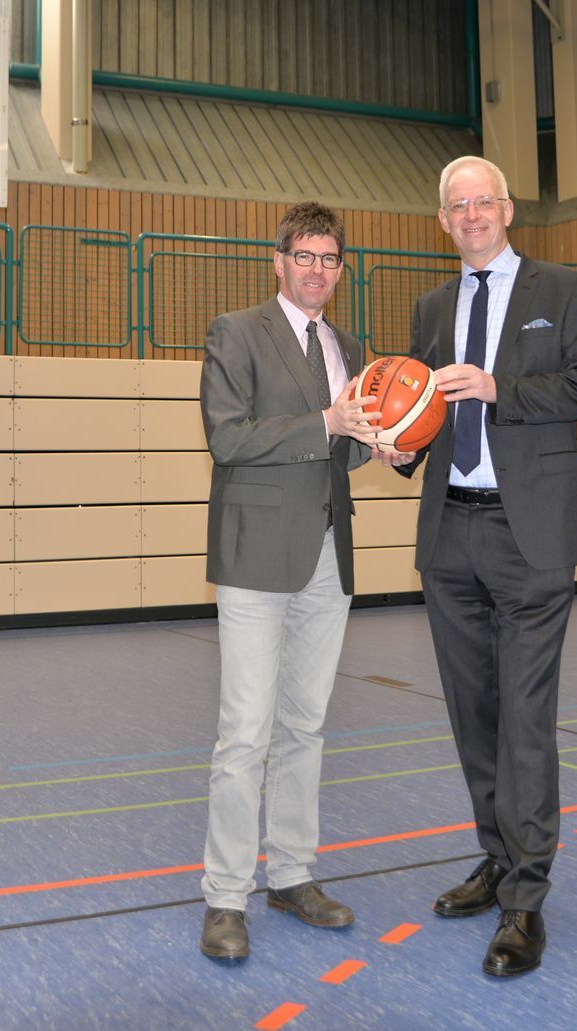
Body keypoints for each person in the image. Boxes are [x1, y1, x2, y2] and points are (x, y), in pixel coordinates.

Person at [379, 156, 577, 977]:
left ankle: (526, 897)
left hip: (530, 534)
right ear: (443, 221)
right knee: (473, 712)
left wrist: (496, 387)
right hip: (450, 533)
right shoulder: (431, 307)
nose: (472, 214)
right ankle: (497, 855)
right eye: (457, 205)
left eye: (483, 201)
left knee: (525, 715)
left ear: (507, 209)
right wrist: (399, 446)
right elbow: (421, 411)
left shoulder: (565, 289)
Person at [195, 201, 380, 962]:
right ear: (279, 262)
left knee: (305, 726)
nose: (316, 270)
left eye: (329, 259)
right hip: (256, 555)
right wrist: (329, 423)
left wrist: (387, 443)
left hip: (328, 555)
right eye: (304, 255)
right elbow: (228, 437)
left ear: (340, 269)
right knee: (245, 731)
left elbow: (346, 446)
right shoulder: (236, 332)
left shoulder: (348, 345)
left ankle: (293, 873)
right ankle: (225, 895)